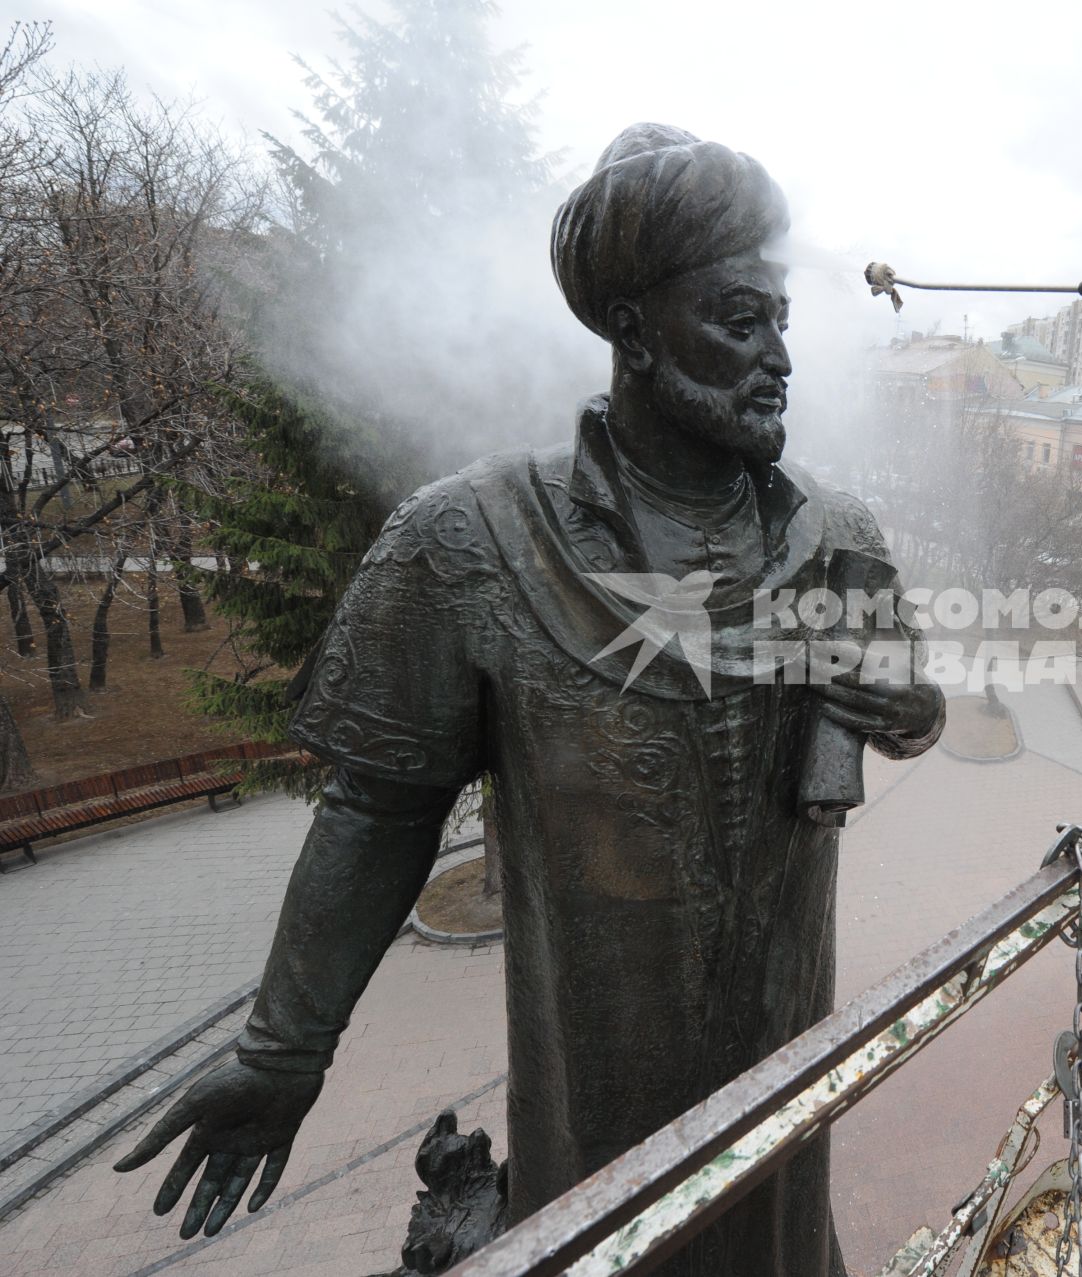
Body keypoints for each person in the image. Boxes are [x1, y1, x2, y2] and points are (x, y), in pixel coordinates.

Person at [113, 125, 943, 1277]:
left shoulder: (835, 533)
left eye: (782, 323)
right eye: (738, 321)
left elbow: (913, 703)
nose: (780, 360)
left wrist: (903, 703)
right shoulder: (472, 538)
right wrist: (283, 1048)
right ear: (635, 330)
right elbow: (377, 809)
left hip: (785, 1095)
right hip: (594, 1122)